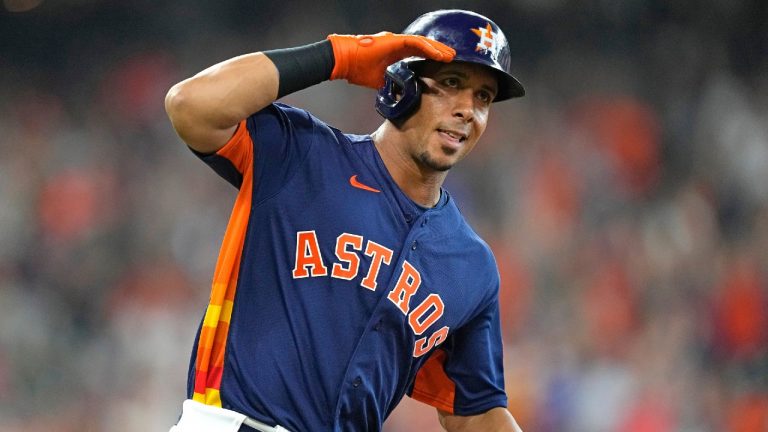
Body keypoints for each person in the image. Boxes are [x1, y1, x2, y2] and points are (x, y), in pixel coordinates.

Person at [164, 9, 525, 432]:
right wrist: (341, 56)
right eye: (450, 84)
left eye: (483, 96)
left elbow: (475, 411)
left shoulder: (470, 264)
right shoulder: (304, 155)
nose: (468, 110)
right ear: (402, 86)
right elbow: (190, 106)